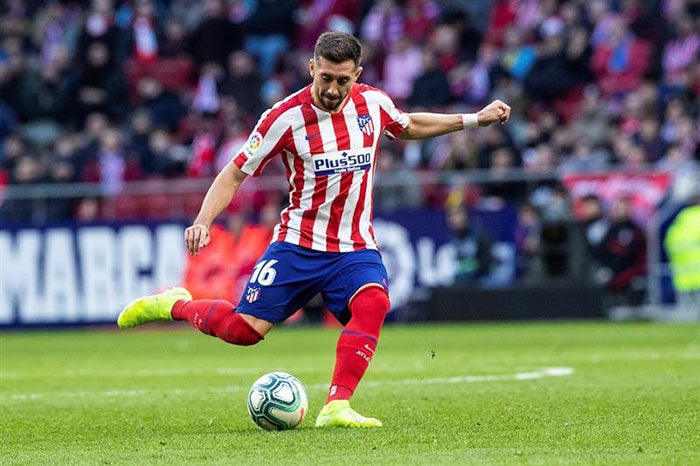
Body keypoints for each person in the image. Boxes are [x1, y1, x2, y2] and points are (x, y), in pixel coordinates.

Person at [117, 31, 510, 428]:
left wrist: (475, 119)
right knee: (243, 331)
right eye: (325, 78)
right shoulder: (284, 117)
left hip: (354, 245)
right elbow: (235, 172)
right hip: (298, 245)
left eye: (343, 80)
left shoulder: (373, 103)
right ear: (312, 69)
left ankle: (336, 405)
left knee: (373, 303)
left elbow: (407, 126)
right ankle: (175, 304)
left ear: (357, 74)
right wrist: (203, 221)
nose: (333, 89)